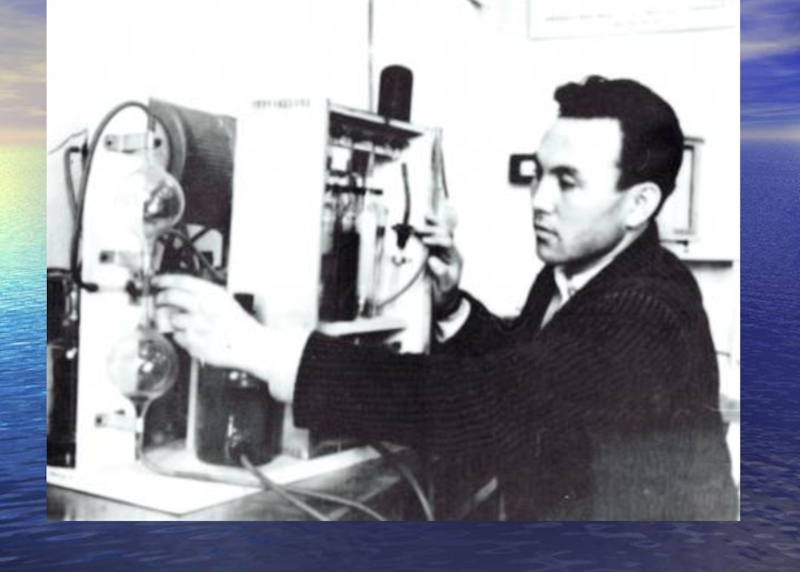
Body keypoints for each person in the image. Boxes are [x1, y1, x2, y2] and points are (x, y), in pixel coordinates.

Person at [154, 76, 738, 520]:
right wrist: (454, 305)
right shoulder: (573, 273)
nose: (539, 199)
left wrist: (266, 353)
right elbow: (529, 366)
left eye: (568, 181)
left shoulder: (647, 310)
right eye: (539, 174)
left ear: (639, 204)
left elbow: (494, 403)